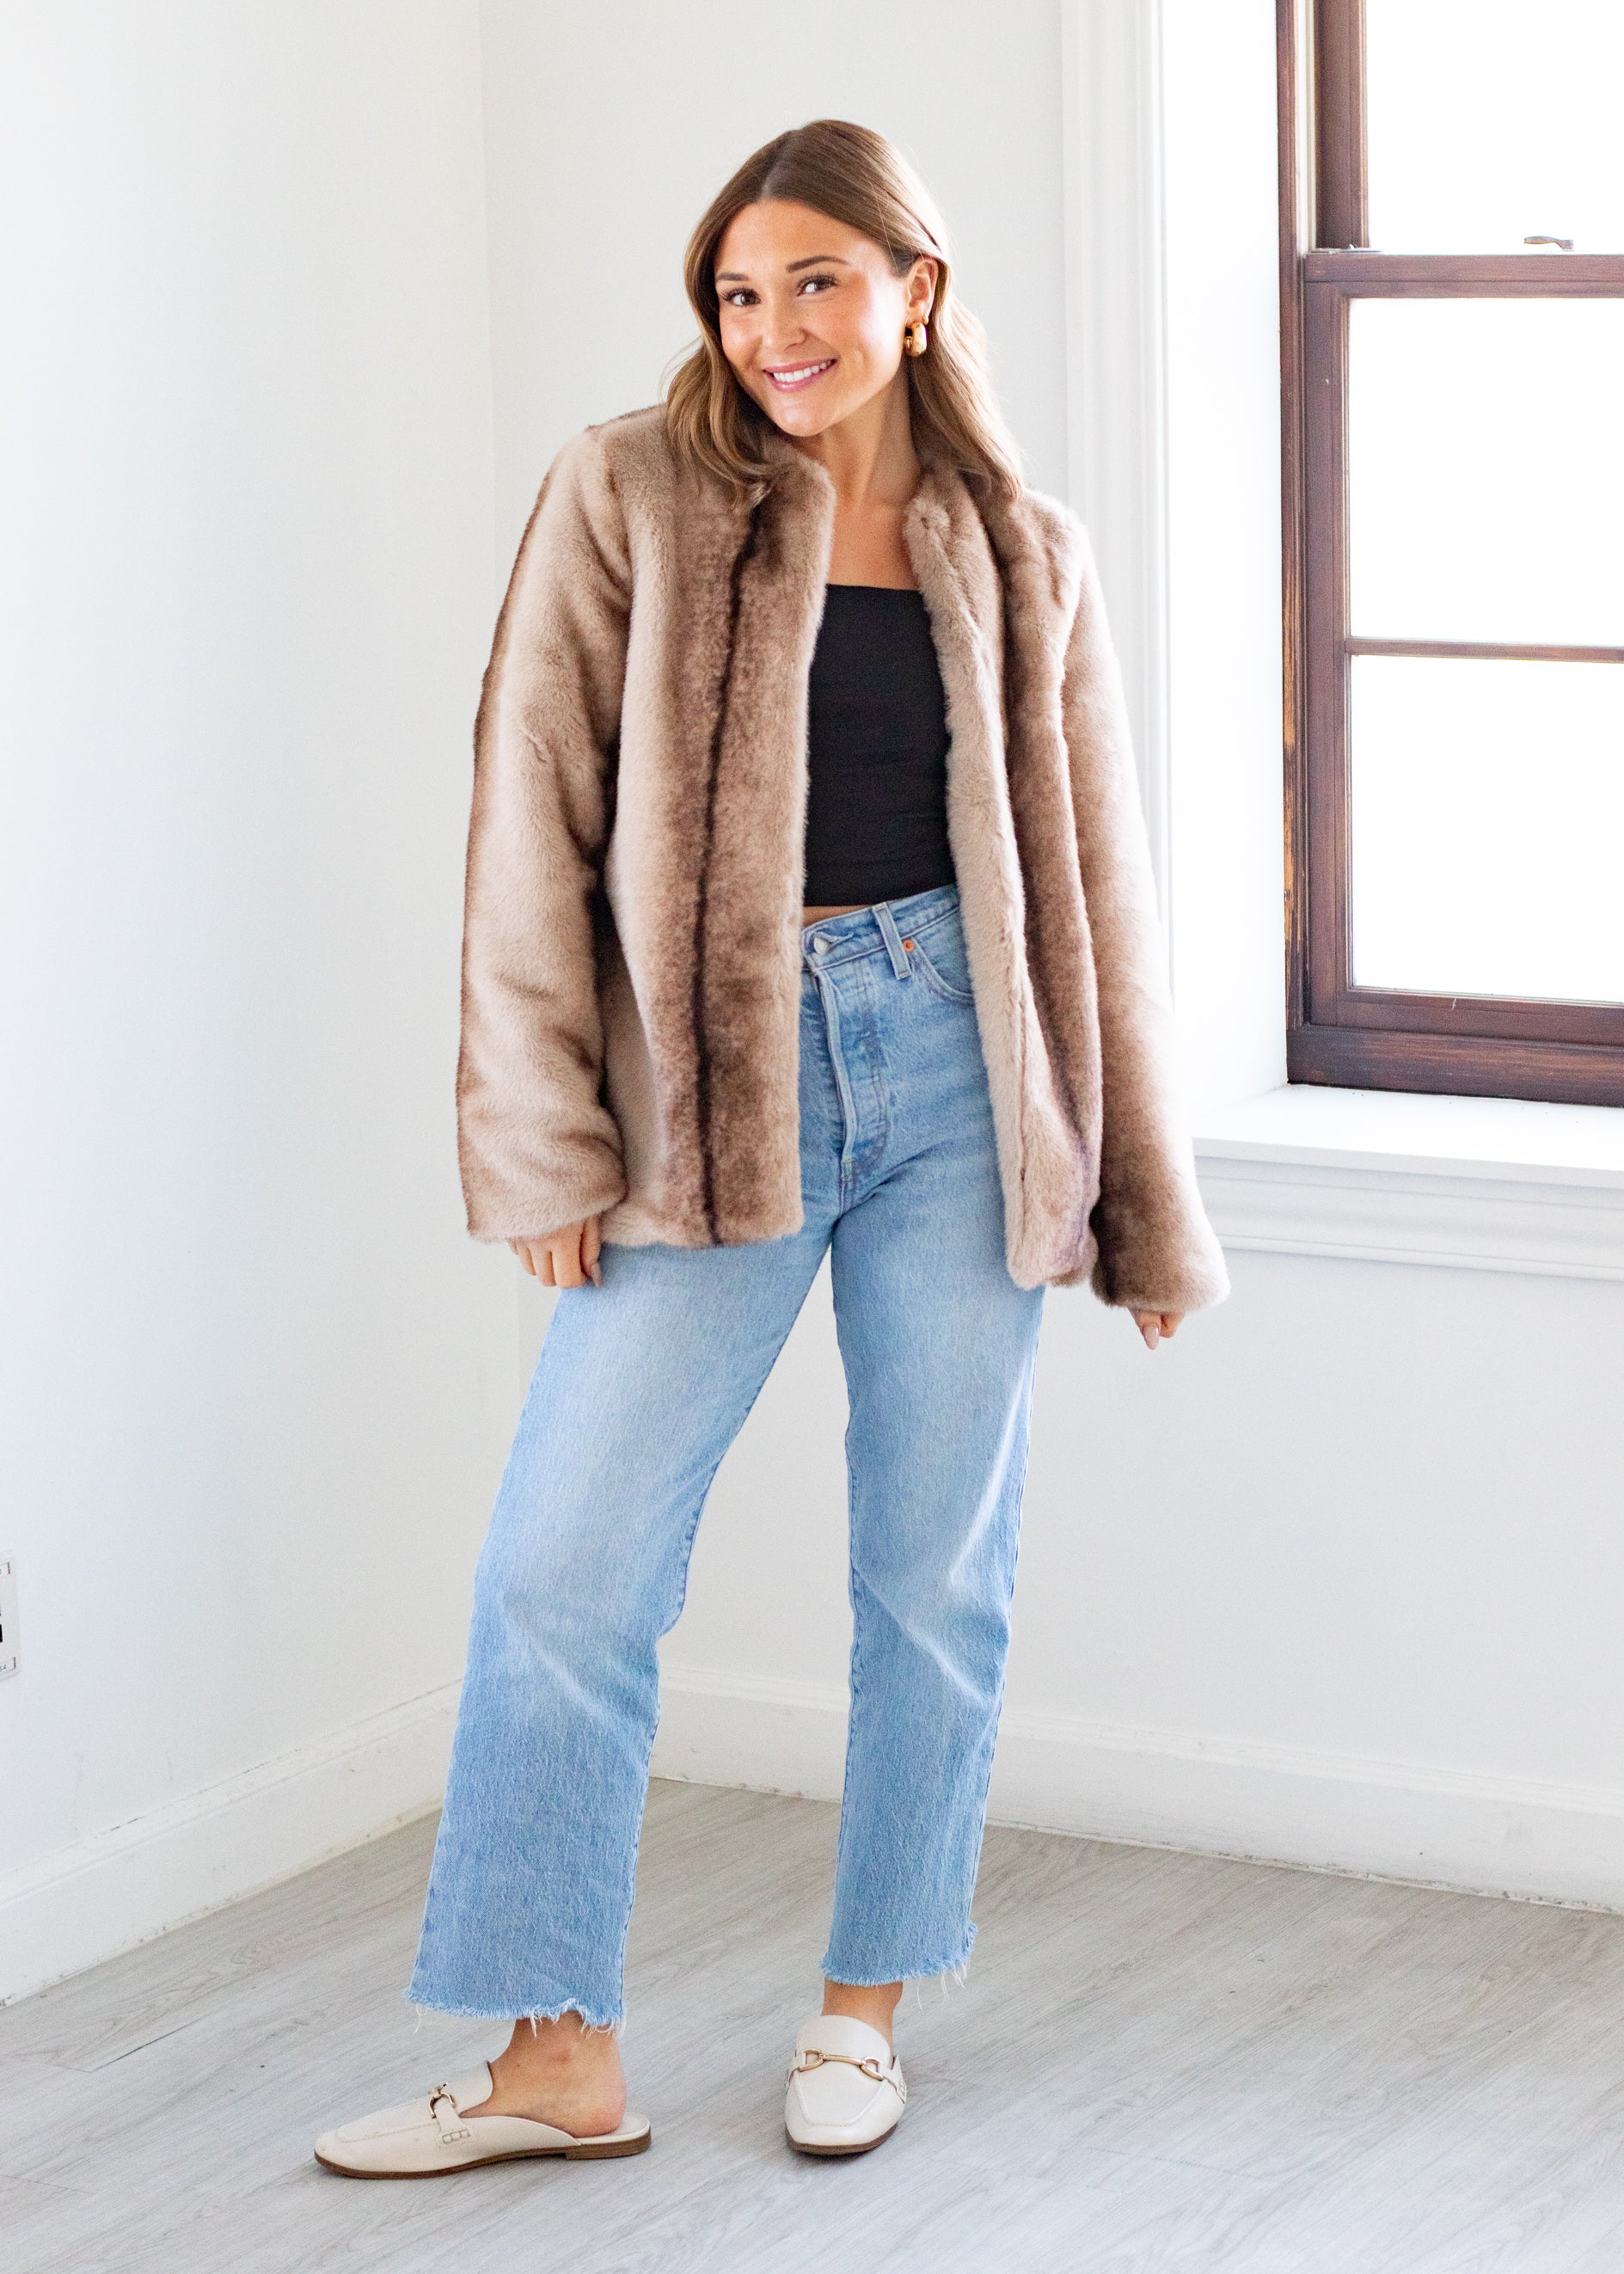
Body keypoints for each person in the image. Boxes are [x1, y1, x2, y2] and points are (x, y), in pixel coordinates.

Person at [314, 117, 1228, 2181]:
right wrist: (546, 1146)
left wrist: (1142, 1207)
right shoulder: (630, 490)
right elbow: (528, 812)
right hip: (709, 1094)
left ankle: (863, 2012)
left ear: (917, 290)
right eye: (740, 291)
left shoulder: (1025, 545)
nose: (774, 327)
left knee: (934, 1576)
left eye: (818, 280)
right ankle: (556, 2057)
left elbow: (1098, 887)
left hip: (964, 1081)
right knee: (565, 1570)